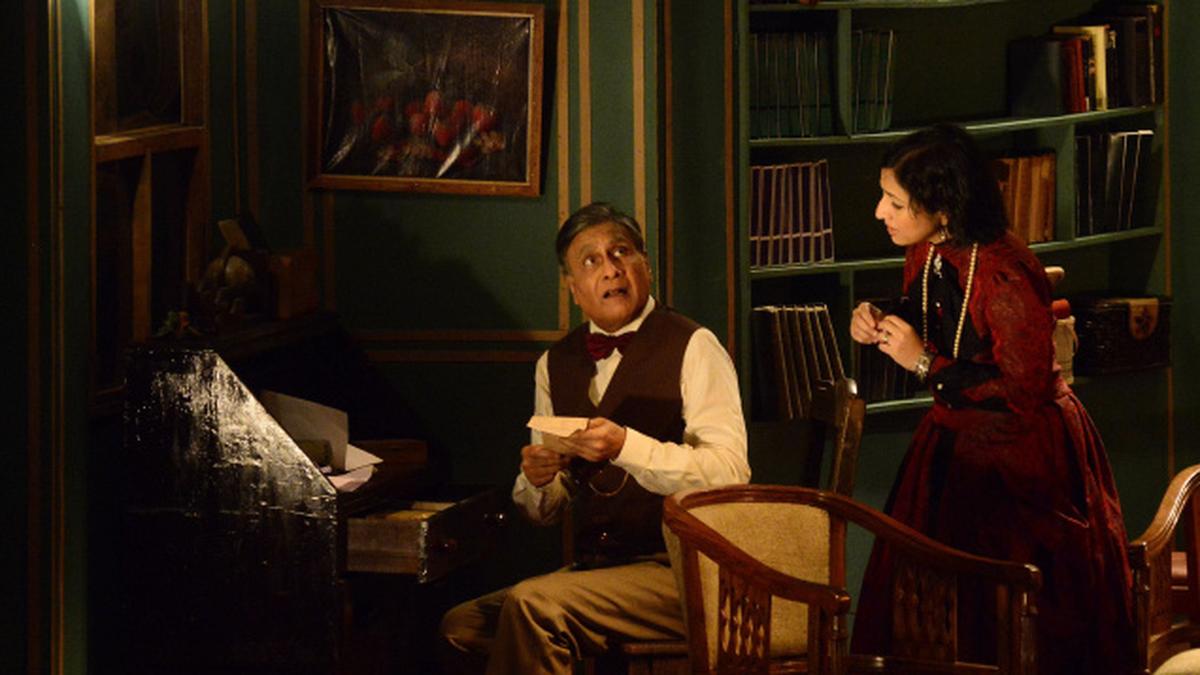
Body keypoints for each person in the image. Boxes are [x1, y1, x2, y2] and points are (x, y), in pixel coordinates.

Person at [848, 124, 1133, 674]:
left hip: (1021, 457)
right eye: (884, 196)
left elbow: (1022, 390)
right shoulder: (927, 248)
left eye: (895, 203)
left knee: (1008, 612)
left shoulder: (1004, 272)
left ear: (943, 210)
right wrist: (881, 318)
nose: (880, 212)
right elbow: (936, 311)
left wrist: (923, 363)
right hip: (952, 440)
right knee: (926, 603)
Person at [439, 202, 750, 674]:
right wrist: (538, 480)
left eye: (621, 252)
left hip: (686, 571)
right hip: (601, 570)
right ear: (573, 289)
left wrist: (627, 447)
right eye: (591, 260)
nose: (610, 269)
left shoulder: (695, 345)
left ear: (646, 265)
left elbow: (731, 473)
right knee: (462, 625)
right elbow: (541, 512)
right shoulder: (554, 364)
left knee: (533, 606)